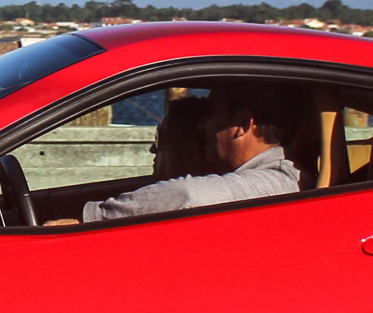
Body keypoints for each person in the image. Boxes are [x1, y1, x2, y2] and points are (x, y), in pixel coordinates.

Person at [67, 81, 301, 224]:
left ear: (242, 124)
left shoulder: (278, 181)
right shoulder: (275, 177)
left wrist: (92, 219)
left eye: (211, 113)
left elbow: (188, 196)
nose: (202, 126)